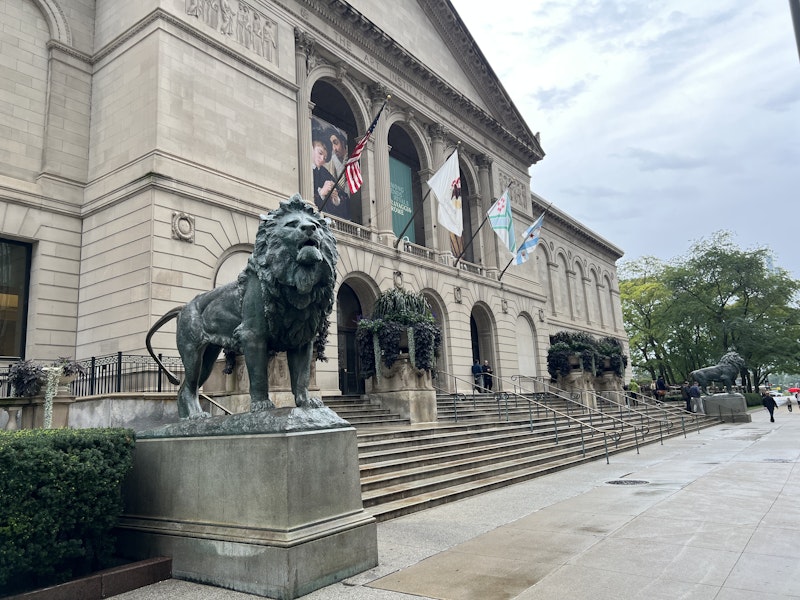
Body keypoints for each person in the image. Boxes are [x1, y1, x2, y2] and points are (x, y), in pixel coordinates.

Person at [312, 138, 348, 219]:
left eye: (325, 158)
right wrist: (321, 192)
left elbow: (342, 195)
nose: (321, 159)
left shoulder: (325, 173)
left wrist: (335, 199)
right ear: (311, 147)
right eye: (320, 153)